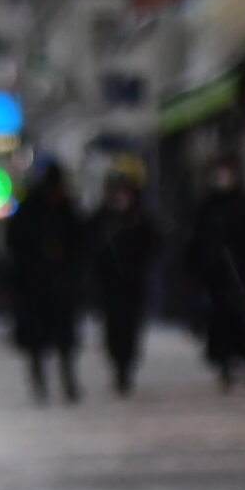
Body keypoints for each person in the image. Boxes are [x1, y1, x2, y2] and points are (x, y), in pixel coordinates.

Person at [5, 158, 86, 403]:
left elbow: (80, 244)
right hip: (36, 285)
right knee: (38, 341)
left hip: (59, 284)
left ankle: (66, 383)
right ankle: (43, 385)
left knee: (63, 341)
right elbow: (16, 246)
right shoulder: (31, 211)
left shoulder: (65, 210)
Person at [181, 156, 245, 389]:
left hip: (241, 272)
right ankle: (224, 363)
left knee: (243, 316)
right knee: (218, 320)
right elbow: (194, 240)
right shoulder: (206, 206)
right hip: (214, 276)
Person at [87, 161, 162, 396]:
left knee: (130, 329)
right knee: (113, 329)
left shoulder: (139, 219)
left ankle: (126, 367)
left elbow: (154, 244)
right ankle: (118, 366)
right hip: (109, 287)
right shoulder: (102, 219)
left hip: (132, 285)